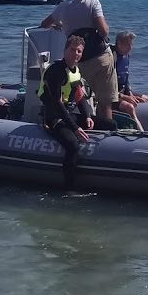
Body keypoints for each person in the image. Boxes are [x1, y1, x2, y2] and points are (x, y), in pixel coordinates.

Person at [39, 0, 118, 123]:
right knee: (105, 101)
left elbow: (45, 24)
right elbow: (104, 30)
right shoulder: (93, 3)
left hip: (78, 61)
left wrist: (60, 25)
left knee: (79, 92)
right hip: (100, 58)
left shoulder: (63, 6)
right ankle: (106, 129)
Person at [38, 35, 94, 190]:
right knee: (73, 145)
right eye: (72, 50)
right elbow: (57, 104)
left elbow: (80, 97)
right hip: (52, 118)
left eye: (79, 51)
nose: (76, 54)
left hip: (68, 116)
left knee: (109, 124)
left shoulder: (76, 71)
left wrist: (87, 116)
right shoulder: (55, 71)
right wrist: (75, 128)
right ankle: (69, 188)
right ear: (65, 50)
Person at [110, 31, 148, 130]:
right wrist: (123, 96)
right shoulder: (111, 57)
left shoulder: (126, 55)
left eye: (131, 44)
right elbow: (106, 84)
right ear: (119, 43)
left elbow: (126, 77)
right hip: (112, 95)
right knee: (129, 107)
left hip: (122, 91)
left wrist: (130, 93)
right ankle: (141, 132)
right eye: (128, 44)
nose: (130, 48)